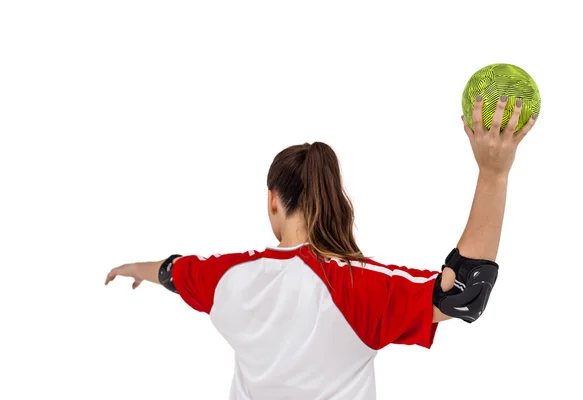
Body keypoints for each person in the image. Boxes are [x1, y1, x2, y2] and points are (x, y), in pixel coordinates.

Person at [105, 96, 537, 399]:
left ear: (272, 200)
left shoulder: (224, 278)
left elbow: (172, 271)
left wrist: (132, 268)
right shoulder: (358, 287)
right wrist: (493, 174)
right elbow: (462, 294)